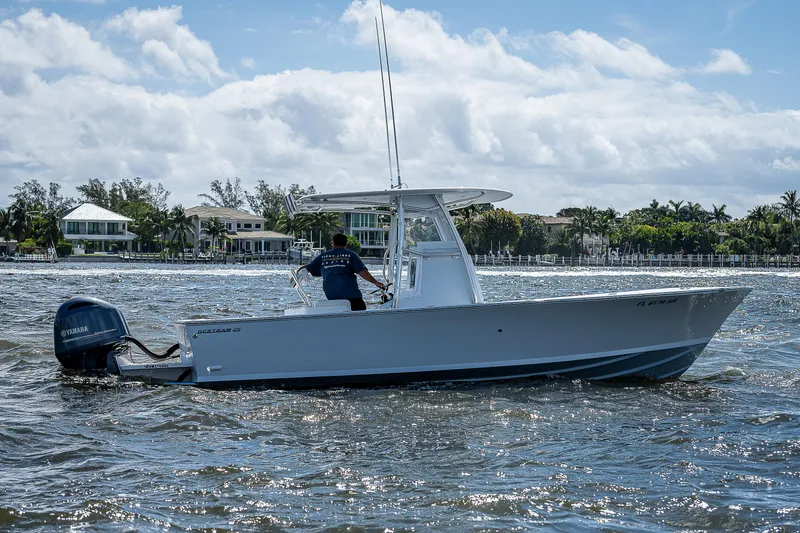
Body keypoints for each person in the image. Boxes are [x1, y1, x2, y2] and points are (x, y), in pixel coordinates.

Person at [296, 233, 386, 311]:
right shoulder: (351, 255)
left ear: (333, 243)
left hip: (332, 299)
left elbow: (307, 268)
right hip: (353, 299)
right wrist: (376, 282)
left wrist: (297, 272)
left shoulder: (323, 257)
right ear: (346, 244)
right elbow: (362, 272)